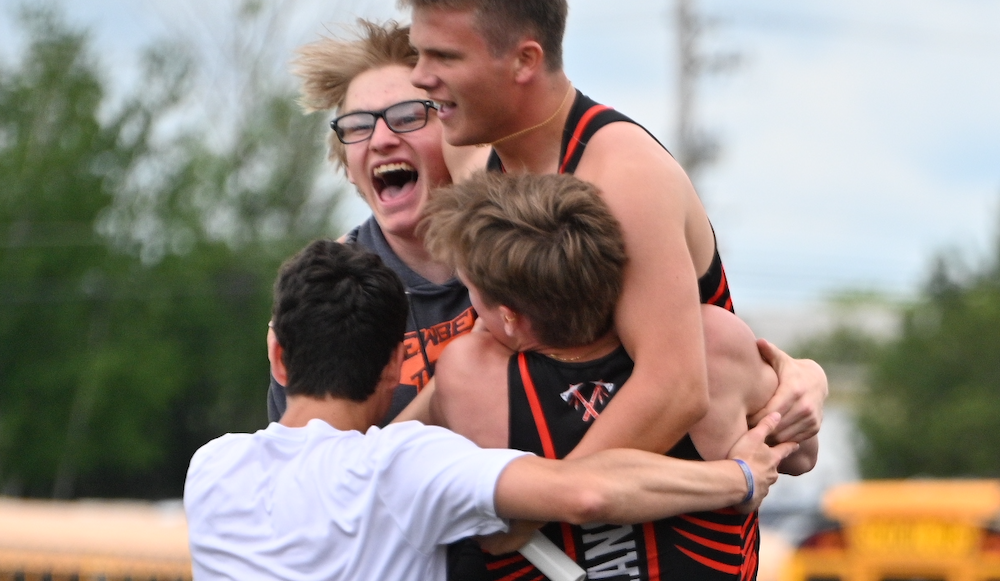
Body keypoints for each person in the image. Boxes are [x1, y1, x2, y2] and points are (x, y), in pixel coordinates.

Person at [401, 0, 826, 460]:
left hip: (670, 518)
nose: (418, 77)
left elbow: (675, 390)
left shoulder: (625, 176)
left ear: (525, 61)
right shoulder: (471, 155)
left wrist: (541, 500)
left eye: (443, 57)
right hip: (564, 503)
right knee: (467, 364)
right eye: (417, 54)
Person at [184, 239, 797, 581]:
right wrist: (738, 478)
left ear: (277, 355)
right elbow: (586, 494)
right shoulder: (405, 467)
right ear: (397, 366)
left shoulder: (211, 471)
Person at [420, 172, 818, 580]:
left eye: (471, 292)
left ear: (508, 316)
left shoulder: (472, 376)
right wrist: (804, 377)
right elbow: (803, 454)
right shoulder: (712, 344)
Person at [266, 20, 490, 423]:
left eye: (407, 116)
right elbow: (319, 471)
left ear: (459, 134)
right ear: (348, 167)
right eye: (358, 126)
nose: (381, 139)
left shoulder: (526, 245)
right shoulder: (329, 296)